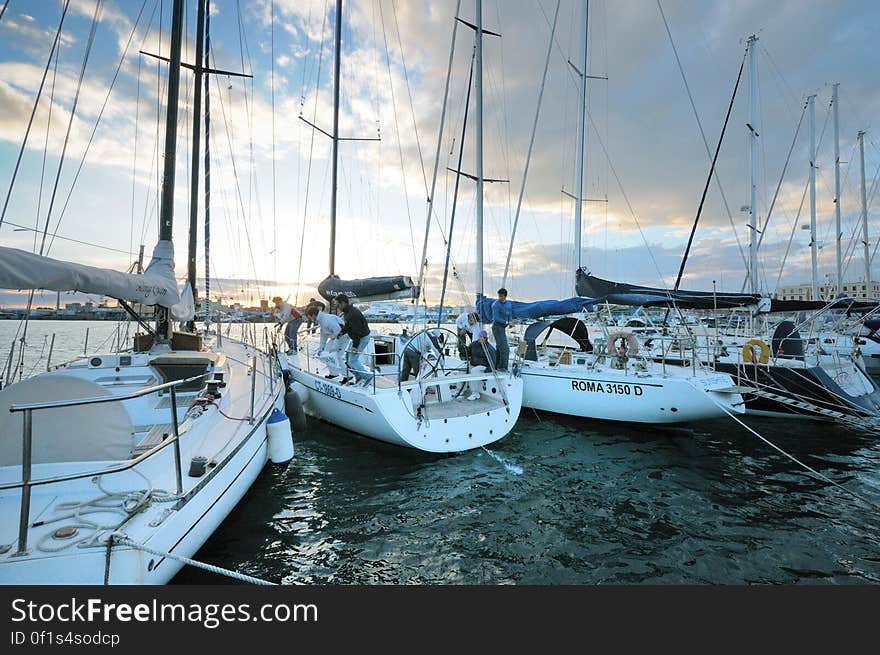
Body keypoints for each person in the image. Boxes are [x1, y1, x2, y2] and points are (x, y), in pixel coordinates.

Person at [336, 294, 372, 385]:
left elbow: (357, 331)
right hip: (358, 337)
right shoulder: (348, 312)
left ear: (343, 303)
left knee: (353, 360)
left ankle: (368, 377)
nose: (338, 307)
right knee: (348, 359)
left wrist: (355, 346)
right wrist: (342, 332)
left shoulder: (353, 314)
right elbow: (348, 325)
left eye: (338, 304)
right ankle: (358, 377)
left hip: (361, 338)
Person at [305, 303, 348, 368]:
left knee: (336, 357)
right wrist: (321, 349)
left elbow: (339, 333)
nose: (311, 320)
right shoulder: (322, 320)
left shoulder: (327, 320)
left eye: (310, 317)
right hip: (335, 338)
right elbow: (323, 336)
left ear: (313, 315)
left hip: (342, 337)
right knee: (325, 354)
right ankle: (334, 373)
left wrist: (334, 348)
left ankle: (348, 376)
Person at [490, 287, 513, 371]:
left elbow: (510, 314)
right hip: (497, 327)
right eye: (499, 296)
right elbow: (496, 318)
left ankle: (497, 366)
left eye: (501, 296)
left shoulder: (509, 304)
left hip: (503, 327)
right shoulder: (495, 305)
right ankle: (503, 367)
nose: (500, 298)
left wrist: (510, 321)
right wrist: (507, 322)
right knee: (505, 348)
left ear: (505, 296)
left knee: (499, 347)